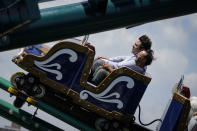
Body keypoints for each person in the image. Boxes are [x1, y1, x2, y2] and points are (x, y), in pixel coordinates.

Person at [89, 35, 153, 85]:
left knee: (100, 67)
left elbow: (119, 67)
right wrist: (108, 59)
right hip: (118, 77)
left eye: (136, 45)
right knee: (100, 66)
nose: (133, 46)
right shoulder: (136, 59)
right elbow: (121, 58)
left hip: (120, 82)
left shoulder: (137, 64)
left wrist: (107, 64)